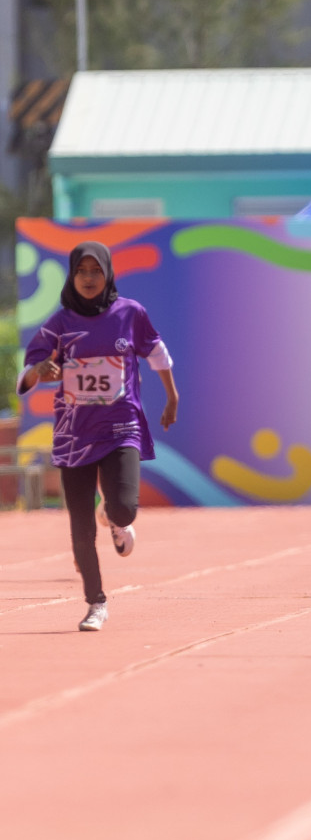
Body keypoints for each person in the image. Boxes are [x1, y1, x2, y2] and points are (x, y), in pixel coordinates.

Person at [17, 241, 179, 632]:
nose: (89, 278)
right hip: (74, 434)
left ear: (107, 273)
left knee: (124, 508)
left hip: (121, 425)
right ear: (72, 276)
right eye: (81, 271)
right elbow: (30, 370)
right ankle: (96, 603)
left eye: (96, 271)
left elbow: (158, 354)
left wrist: (172, 398)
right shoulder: (59, 324)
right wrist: (42, 371)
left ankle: (114, 516)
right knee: (79, 528)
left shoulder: (130, 313)